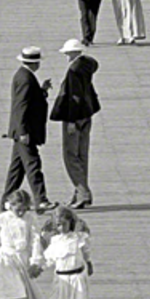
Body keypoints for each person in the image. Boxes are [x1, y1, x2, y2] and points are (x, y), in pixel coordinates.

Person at [1, 47, 55, 214]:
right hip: (25, 132)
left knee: (16, 170)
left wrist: (42, 91)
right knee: (33, 165)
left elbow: (29, 101)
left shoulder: (24, 76)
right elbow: (21, 106)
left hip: (21, 132)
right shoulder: (25, 78)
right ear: (35, 63)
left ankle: (5, 203)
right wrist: (23, 131)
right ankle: (41, 200)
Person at [49, 39, 101, 209]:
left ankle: (83, 192)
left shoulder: (73, 70)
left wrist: (71, 120)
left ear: (73, 53)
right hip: (87, 114)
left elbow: (74, 98)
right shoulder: (88, 65)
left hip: (75, 117)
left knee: (70, 156)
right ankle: (78, 193)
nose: (65, 55)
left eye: (67, 53)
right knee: (82, 156)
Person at [43, 205, 93, 299]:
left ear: (70, 223)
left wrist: (89, 263)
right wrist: (38, 267)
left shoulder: (79, 238)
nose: (61, 228)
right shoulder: (55, 241)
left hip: (77, 275)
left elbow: (86, 252)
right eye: (58, 225)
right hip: (62, 277)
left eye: (64, 224)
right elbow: (49, 259)